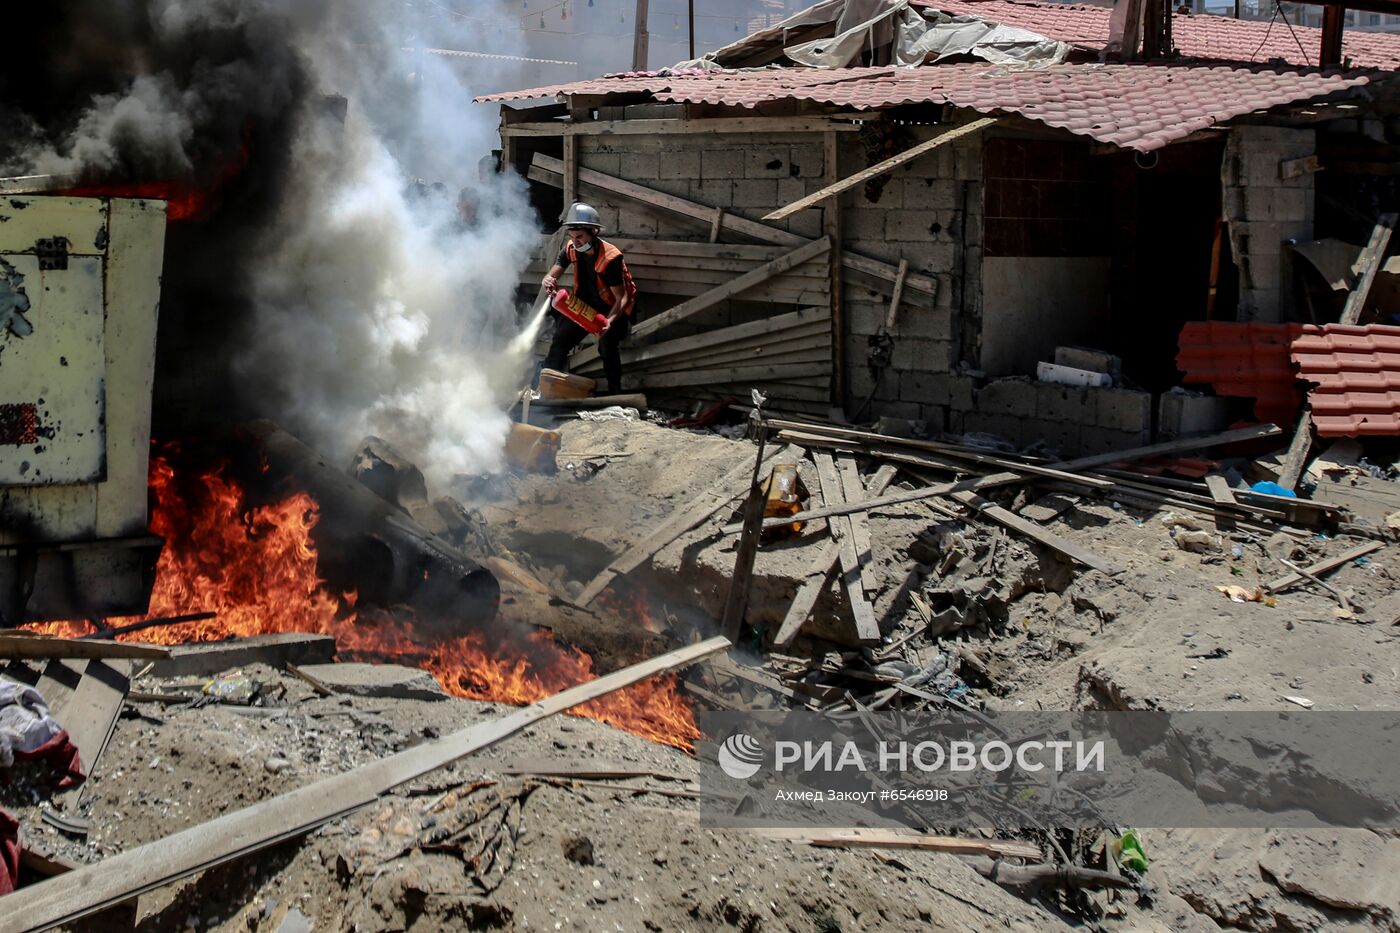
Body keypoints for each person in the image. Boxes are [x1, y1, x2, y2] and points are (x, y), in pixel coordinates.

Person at [541, 203, 635, 394]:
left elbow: (621, 298)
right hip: (585, 306)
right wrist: (548, 280)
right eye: (572, 236)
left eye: (580, 237)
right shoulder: (570, 248)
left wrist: (609, 322)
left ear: (594, 232)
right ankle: (547, 391)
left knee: (607, 345)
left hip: (612, 309)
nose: (576, 241)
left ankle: (614, 392)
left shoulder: (610, 258)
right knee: (560, 340)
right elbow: (554, 272)